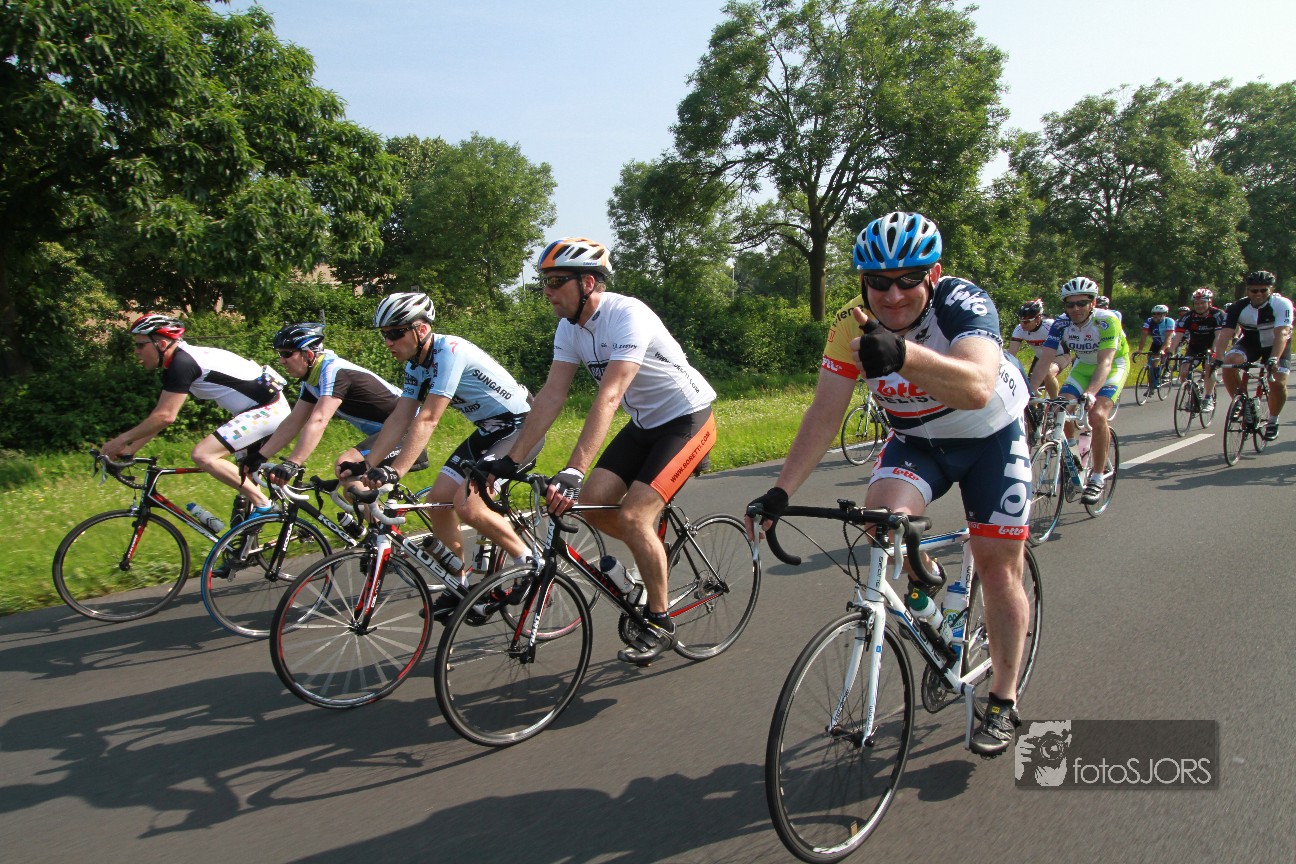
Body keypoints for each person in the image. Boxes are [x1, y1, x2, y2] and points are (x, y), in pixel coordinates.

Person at [745, 212, 1031, 757]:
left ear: (933, 275)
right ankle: (928, 578)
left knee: (998, 569)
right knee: (879, 522)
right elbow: (825, 413)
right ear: (863, 282)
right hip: (917, 441)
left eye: (908, 279)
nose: (893, 295)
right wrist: (781, 491)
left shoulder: (963, 304)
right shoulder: (850, 325)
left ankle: (1003, 698)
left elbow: (976, 386)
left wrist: (902, 354)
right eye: (878, 282)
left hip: (989, 438)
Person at [485, 237, 717, 667]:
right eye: (544, 282)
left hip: (687, 420)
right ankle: (650, 553)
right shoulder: (569, 328)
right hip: (644, 424)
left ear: (587, 283)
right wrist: (510, 460)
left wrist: (574, 469)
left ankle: (660, 623)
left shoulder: (628, 315)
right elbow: (551, 397)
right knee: (591, 505)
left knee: (633, 517)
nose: (547, 291)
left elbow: (609, 396)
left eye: (556, 281)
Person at [355, 292, 541, 616]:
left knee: (468, 504)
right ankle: (459, 584)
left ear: (421, 329)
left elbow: (428, 418)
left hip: (521, 428)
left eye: (395, 332)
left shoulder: (449, 351)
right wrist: (367, 465)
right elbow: (400, 418)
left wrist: (395, 471)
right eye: (384, 334)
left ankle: (529, 563)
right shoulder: (416, 365)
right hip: (490, 430)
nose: (388, 342)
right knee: (438, 500)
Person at [102, 314, 290, 516]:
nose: (136, 351)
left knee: (204, 455)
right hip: (260, 409)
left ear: (162, 344)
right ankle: (261, 525)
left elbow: (165, 416)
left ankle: (265, 505)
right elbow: (160, 418)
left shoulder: (183, 364)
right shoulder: (180, 360)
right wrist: (130, 450)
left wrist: (120, 441)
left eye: (140, 345)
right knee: (245, 483)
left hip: (268, 410)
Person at [236, 323, 429, 494]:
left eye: (287, 354)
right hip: (388, 435)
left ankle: (379, 525)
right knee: (348, 484)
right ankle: (373, 522)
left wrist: (293, 463)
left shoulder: (334, 371)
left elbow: (319, 420)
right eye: (280, 354)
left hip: (407, 433)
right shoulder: (312, 379)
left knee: (346, 466)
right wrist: (260, 456)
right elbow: (294, 422)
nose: (281, 361)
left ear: (308, 354)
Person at [1029, 277, 1130, 505]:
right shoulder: (1061, 323)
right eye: (1070, 304)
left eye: (1081, 303)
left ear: (1092, 303)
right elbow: (1045, 360)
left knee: (1097, 415)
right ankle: (1074, 454)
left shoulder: (1107, 321)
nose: (1075, 309)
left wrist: (1091, 393)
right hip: (1083, 366)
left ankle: (1097, 477)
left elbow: (1105, 362)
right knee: (1061, 406)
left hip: (1112, 366)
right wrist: (1030, 392)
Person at [1215, 270, 1292, 441]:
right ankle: (1242, 403)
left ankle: (1273, 420)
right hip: (1251, 343)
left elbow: (1282, 333)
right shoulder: (1238, 307)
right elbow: (1225, 334)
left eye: (1263, 290)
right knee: (1229, 361)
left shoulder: (1281, 304)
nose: (1258, 294)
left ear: (1271, 289)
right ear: (1247, 290)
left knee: (1277, 383)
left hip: (1276, 344)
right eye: (1254, 290)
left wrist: (1274, 359)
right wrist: (1218, 358)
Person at [1167, 289, 1227, 410]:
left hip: (1212, 346)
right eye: (1196, 303)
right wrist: (1170, 351)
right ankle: (1194, 395)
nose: (1199, 306)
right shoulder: (1188, 317)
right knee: (1184, 371)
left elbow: (1219, 335)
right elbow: (1178, 336)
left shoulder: (1218, 314)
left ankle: (1208, 399)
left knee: (1209, 367)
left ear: (1210, 302)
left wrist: (1214, 352)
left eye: (1203, 303)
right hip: (1194, 347)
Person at [1006, 298, 1067, 398]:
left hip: (1060, 355)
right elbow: (1011, 354)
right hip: (1041, 358)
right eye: (1021, 321)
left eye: (1027, 321)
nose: (1023, 324)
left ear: (1038, 318)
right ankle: (1035, 407)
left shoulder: (1050, 325)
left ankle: (1055, 402)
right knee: (1029, 390)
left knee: (1048, 373)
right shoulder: (1019, 329)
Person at [1136, 304, 1176, 390]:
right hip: (1156, 342)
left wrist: (1162, 350)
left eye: (1158, 314)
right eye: (1154, 314)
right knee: (1152, 363)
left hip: (1168, 341)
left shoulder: (1169, 321)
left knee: (1165, 353)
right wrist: (1140, 349)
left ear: (1164, 314)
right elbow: (1144, 335)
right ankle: (1153, 383)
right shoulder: (1149, 321)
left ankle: (1167, 368)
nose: (1155, 315)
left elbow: (1168, 338)